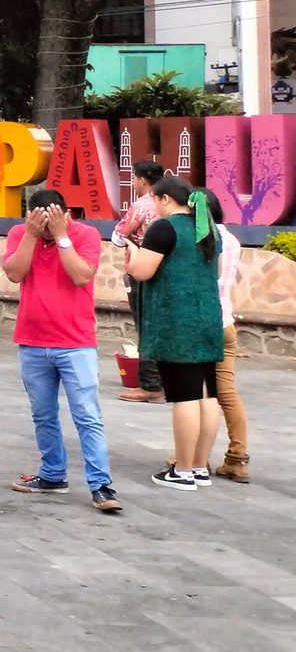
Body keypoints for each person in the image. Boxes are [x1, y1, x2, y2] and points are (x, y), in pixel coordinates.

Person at [0, 188, 119, 511]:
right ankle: (52, 473)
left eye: (54, 220)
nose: (47, 228)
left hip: (75, 343)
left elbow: (82, 276)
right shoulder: (19, 234)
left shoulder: (86, 235)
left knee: (87, 415)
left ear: (66, 215)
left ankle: (101, 484)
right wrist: (30, 235)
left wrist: (62, 237)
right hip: (33, 341)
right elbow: (14, 273)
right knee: (43, 414)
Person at [125, 177, 228, 491]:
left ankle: (182, 471)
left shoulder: (164, 228)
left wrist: (131, 257)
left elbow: (143, 270)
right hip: (208, 319)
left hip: (177, 323)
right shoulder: (208, 228)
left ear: (166, 199)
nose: (154, 206)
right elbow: (218, 272)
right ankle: (199, 467)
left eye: (155, 200)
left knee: (184, 397)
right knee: (207, 394)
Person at [112, 160, 169, 404]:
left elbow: (118, 235)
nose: (133, 183)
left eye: (134, 178)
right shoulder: (172, 204)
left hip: (143, 271)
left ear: (143, 180)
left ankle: (151, 384)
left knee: (146, 327)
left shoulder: (143, 206)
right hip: (169, 272)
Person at [203, 194, 250, 483]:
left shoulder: (202, 239)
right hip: (225, 322)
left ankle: (192, 458)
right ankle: (238, 458)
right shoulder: (231, 238)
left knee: (198, 395)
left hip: (203, 323)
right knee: (227, 393)